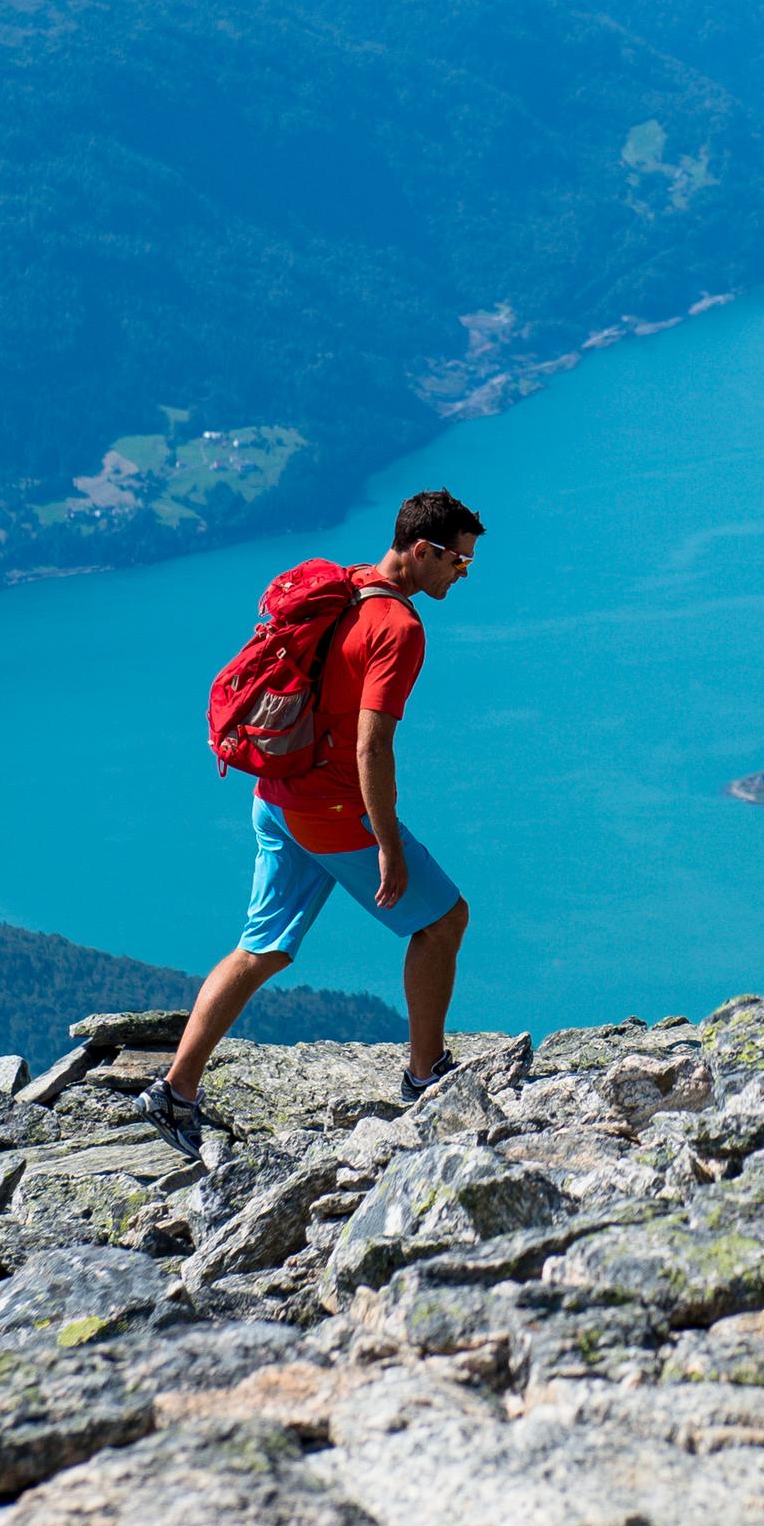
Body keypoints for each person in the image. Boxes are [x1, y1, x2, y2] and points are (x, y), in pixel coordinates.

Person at [144, 491, 484, 1160]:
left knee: (261, 948)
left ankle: (173, 1092)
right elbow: (372, 746)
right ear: (422, 551)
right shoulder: (400, 629)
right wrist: (386, 841)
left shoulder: (350, 583)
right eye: (459, 561)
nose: (463, 574)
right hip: (329, 809)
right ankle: (426, 1079)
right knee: (441, 921)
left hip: (275, 792)